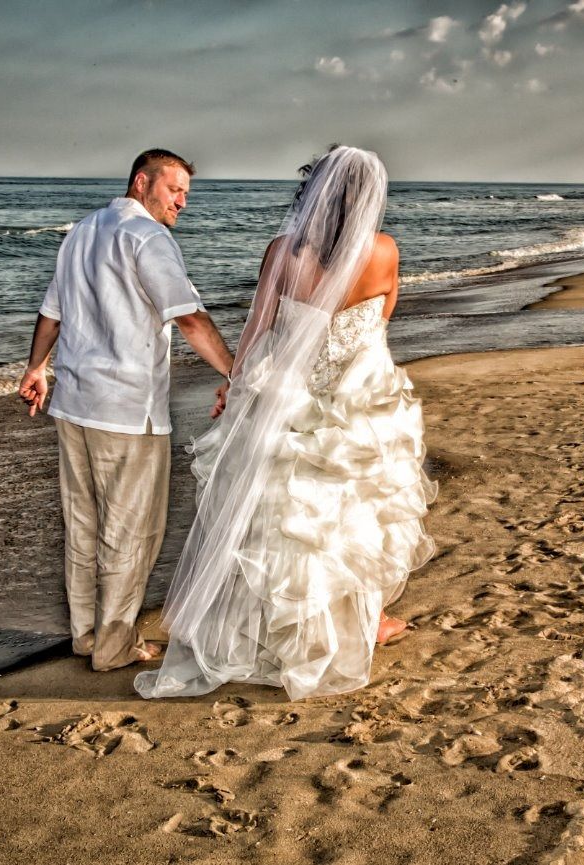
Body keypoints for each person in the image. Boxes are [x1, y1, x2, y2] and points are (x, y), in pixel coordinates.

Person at [135, 145, 436, 701]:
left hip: (291, 396)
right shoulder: (385, 251)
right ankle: (365, 623)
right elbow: (384, 315)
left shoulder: (283, 252)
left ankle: (279, 633)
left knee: (281, 518)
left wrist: (234, 381)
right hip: (362, 397)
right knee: (357, 510)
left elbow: (258, 328)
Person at [19, 149, 234, 672]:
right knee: (131, 532)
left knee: (83, 525)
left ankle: (87, 636)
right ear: (143, 182)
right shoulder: (148, 237)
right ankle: (114, 648)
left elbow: (52, 313)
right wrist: (237, 373)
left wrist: (35, 369)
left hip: (73, 403)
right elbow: (190, 320)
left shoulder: (82, 231)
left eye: (186, 193)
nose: (182, 201)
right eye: (174, 189)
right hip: (126, 410)